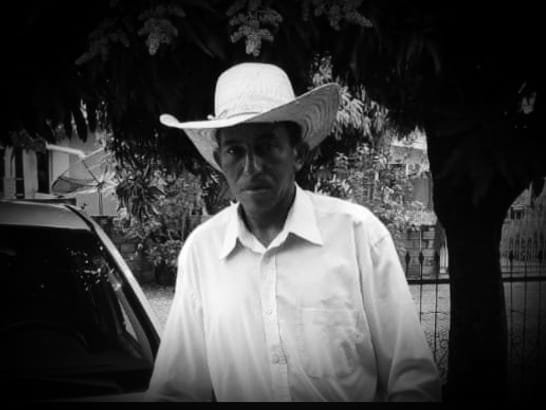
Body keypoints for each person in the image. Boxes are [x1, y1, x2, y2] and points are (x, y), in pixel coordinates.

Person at [146, 62, 441, 402]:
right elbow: (176, 391)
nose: (251, 167)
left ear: (298, 154)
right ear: (219, 159)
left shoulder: (358, 235)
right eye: (235, 151)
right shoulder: (203, 251)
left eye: (267, 146)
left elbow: (413, 380)